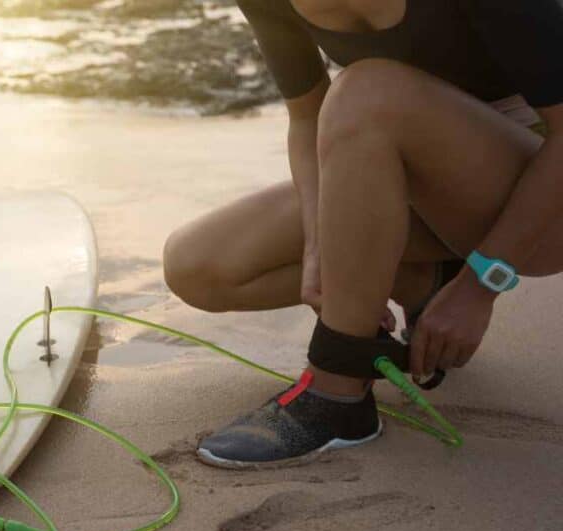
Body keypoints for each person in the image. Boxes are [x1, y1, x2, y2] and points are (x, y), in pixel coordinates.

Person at [161, 0, 563, 468]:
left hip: (539, 203)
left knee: (365, 92)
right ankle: (424, 282)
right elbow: (307, 118)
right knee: (199, 264)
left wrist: (480, 285)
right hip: (412, 182)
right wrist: (318, 244)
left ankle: (336, 392)